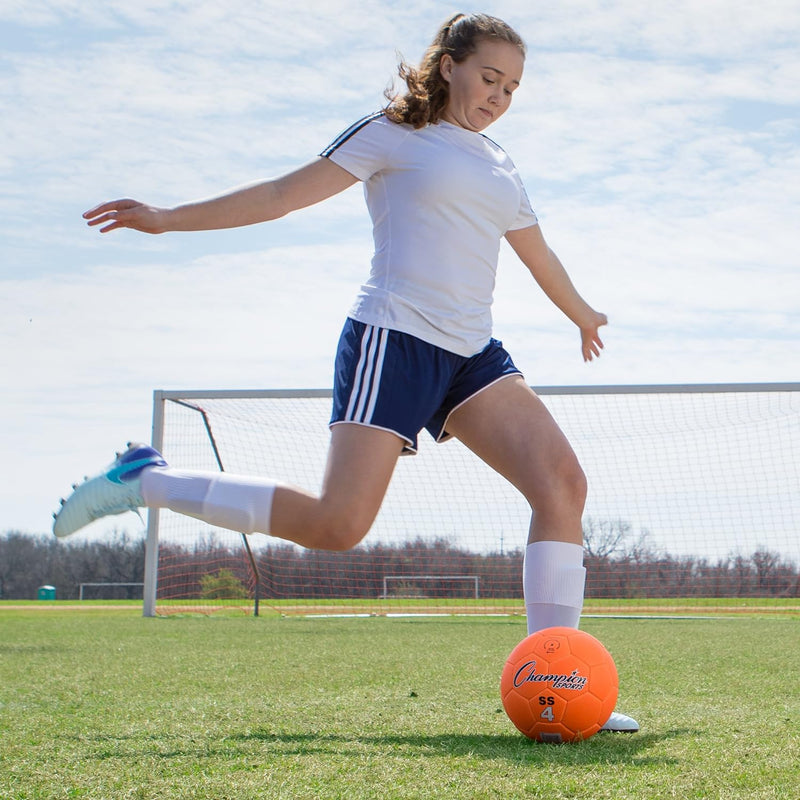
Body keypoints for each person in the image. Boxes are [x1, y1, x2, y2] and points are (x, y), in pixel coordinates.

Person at [55, 12, 637, 732]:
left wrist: (582, 313)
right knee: (338, 525)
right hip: (393, 338)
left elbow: (537, 254)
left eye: (513, 87)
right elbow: (280, 196)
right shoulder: (392, 132)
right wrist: (168, 218)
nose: (500, 95)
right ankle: (147, 479)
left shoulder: (500, 163)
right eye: (490, 77)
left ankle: (555, 680)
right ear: (449, 64)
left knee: (562, 485)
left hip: (472, 354)